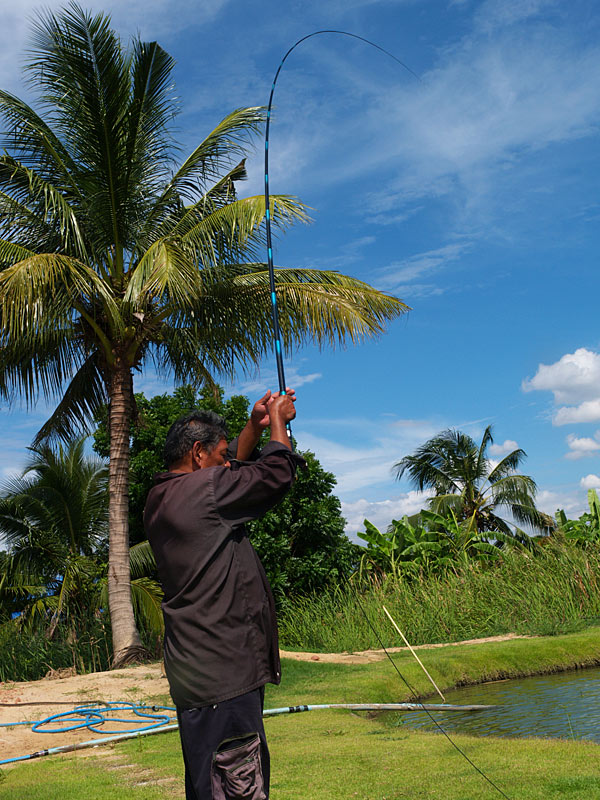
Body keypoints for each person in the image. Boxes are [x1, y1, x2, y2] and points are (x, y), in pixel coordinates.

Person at [144, 389, 304, 800]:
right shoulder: (205, 493)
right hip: (226, 679)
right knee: (237, 785)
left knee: (206, 784)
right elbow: (276, 474)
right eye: (219, 455)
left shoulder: (161, 497)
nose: (228, 462)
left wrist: (255, 426)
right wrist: (280, 425)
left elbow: (228, 464)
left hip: (198, 679)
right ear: (198, 454)